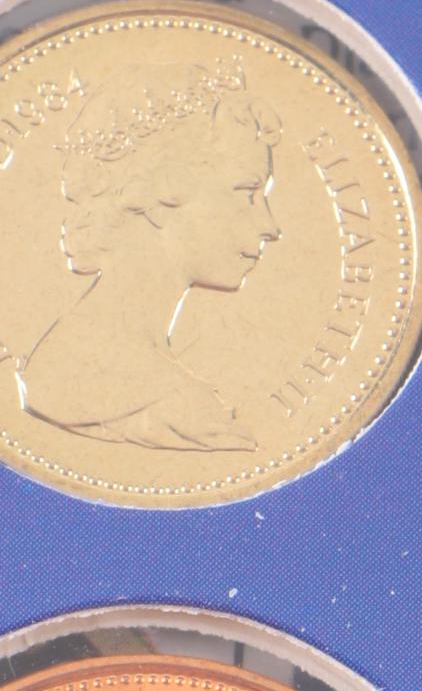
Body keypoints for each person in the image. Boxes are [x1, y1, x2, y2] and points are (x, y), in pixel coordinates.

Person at [17, 61, 280, 452]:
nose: (270, 227)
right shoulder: (161, 399)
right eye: (247, 194)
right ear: (163, 195)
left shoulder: (159, 382)